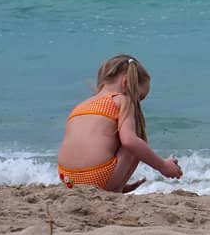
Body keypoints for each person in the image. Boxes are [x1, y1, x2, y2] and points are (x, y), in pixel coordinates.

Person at [56, 54, 183, 192]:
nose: (137, 102)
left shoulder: (81, 106)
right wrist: (163, 166)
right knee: (135, 142)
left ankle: (116, 184)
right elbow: (129, 142)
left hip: (67, 180)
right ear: (126, 82)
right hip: (97, 179)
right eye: (139, 97)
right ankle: (115, 187)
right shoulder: (122, 100)